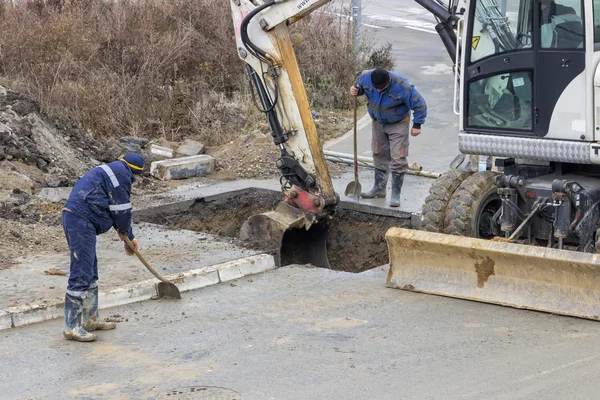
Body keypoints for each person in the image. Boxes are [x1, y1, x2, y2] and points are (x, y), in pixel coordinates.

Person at [62, 153, 144, 342]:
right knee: (81, 272)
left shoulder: (114, 170)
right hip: (79, 219)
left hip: (80, 218)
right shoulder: (123, 175)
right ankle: (72, 326)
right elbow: (122, 211)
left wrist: (128, 235)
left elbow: (116, 208)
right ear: (135, 172)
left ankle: (91, 319)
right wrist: (126, 235)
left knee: (90, 269)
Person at [350, 68, 427, 207]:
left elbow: (420, 105)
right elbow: (359, 87)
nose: (379, 91)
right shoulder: (365, 77)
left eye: (382, 88)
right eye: (376, 88)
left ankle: (395, 195)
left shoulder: (403, 86)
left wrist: (417, 125)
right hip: (378, 121)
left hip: (398, 123)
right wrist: (357, 91)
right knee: (379, 153)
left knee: (398, 157)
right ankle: (379, 189)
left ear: (389, 81)